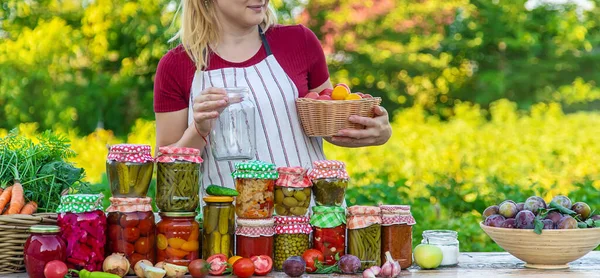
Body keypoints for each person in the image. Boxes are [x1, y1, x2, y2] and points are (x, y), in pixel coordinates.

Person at [154, 0, 392, 188]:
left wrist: (376, 131)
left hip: (308, 218)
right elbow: (168, 171)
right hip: (225, 228)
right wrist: (199, 130)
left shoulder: (299, 42)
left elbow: (328, 124)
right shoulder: (177, 65)